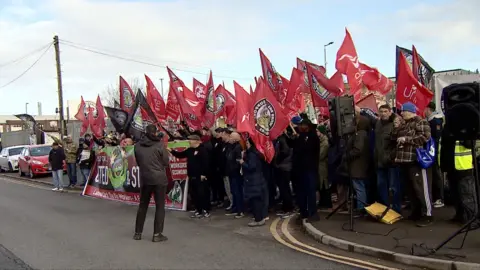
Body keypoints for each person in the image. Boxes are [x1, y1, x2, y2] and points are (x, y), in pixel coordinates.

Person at [395, 102, 433, 227]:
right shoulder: (404, 124)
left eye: (403, 111)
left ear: (410, 111)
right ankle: (416, 211)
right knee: (411, 189)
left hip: (417, 160)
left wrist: (407, 140)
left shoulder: (421, 122)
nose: (401, 113)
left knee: (421, 188)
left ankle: (427, 214)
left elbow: (425, 137)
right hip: (405, 161)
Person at [133, 125, 170, 242]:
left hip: (145, 178)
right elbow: (165, 162)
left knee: (143, 206)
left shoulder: (137, 145)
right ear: (155, 132)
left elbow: (138, 162)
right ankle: (157, 234)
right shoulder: (159, 144)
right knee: (160, 206)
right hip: (159, 178)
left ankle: (138, 233)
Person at [169, 135, 210, 218]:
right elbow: (180, 155)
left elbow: (206, 162)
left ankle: (206, 209)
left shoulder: (203, 150)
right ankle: (198, 209)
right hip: (191, 175)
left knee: (202, 193)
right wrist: (172, 151)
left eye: (190, 140)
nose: (189, 142)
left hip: (200, 176)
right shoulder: (190, 150)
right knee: (194, 193)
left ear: (196, 141)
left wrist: (204, 174)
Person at [338, 116, 371, 215]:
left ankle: (361, 207)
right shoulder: (363, 134)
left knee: (359, 187)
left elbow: (358, 149)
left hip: (358, 165)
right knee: (359, 186)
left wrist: (347, 155)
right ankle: (360, 206)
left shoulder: (360, 134)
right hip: (359, 165)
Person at [374, 104, 402, 214]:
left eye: (386, 111)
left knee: (394, 187)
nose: (383, 113)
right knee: (381, 185)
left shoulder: (395, 124)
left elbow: (397, 144)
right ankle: (385, 208)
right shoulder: (378, 124)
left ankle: (396, 209)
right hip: (379, 161)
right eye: (381, 111)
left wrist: (391, 157)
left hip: (391, 162)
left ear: (390, 112)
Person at [292, 118, 320, 222]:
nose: (299, 127)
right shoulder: (299, 137)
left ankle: (313, 213)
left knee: (310, 192)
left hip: (310, 169)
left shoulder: (313, 137)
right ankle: (303, 212)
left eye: (301, 125)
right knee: (301, 192)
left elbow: (308, 150)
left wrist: (301, 139)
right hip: (300, 170)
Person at [241, 138, 268, 227]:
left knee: (255, 200)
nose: (246, 144)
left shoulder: (252, 154)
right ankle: (259, 217)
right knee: (257, 200)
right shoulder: (254, 153)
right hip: (257, 180)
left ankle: (258, 219)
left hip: (253, 181)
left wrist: (243, 162)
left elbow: (251, 167)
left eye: (248, 143)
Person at [424, 101, 445, 208]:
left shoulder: (436, 121)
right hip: (431, 151)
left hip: (435, 151)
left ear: (428, 109)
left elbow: (436, 137)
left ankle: (439, 198)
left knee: (436, 174)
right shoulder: (430, 120)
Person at [272, 131, 294, 218]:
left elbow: (285, 152)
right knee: (283, 189)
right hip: (283, 166)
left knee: (285, 188)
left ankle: (288, 208)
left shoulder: (282, 139)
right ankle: (286, 207)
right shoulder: (281, 139)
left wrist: (277, 161)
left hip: (284, 167)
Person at [225, 132, 244, 218]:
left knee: (237, 191)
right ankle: (236, 208)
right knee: (233, 191)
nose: (229, 138)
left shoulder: (238, 147)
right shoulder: (231, 147)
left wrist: (234, 168)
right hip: (231, 173)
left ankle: (240, 210)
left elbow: (237, 161)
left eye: (231, 137)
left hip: (236, 174)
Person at [317, 125, 331, 209]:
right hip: (320, 166)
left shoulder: (325, 143)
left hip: (323, 166)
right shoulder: (321, 141)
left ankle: (326, 202)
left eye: (317, 131)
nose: (316, 133)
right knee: (321, 184)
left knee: (324, 184)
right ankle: (323, 202)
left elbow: (320, 155)